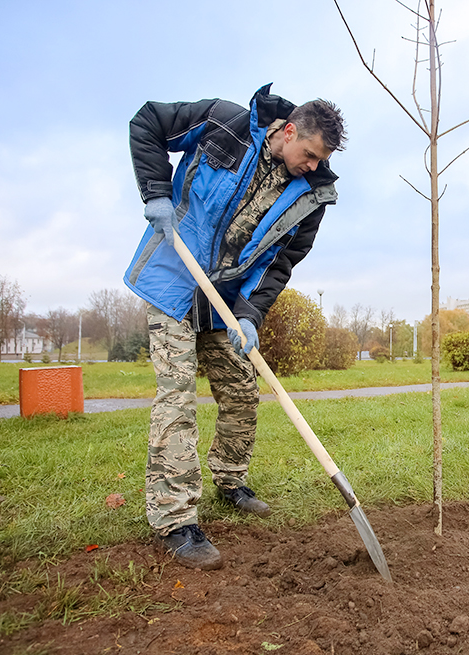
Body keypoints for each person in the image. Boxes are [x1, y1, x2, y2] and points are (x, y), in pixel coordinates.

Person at [123, 85, 346, 570]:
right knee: (177, 397)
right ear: (288, 131)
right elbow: (148, 122)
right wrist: (156, 193)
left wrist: (249, 314)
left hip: (222, 300)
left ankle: (230, 479)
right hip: (173, 281)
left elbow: (278, 265)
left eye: (319, 160)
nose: (312, 165)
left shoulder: (311, 197)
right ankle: (175, 520)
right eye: (308, 154)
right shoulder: (223, 121)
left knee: (243, 389)